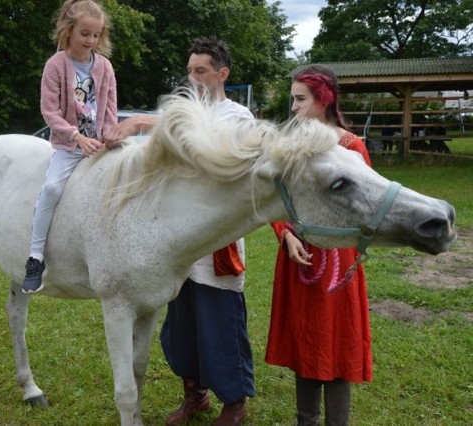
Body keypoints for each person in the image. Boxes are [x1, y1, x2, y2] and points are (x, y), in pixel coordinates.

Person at [107, 37, 256, 426]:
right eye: (189, 71)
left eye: (201, 71)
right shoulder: (181, 113)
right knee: (182, 325)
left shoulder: (238, 116)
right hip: (175, 240)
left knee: (220, 322)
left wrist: (143, 121)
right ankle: (195, 396)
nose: (192, 78)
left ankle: (234, 404)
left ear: (222, 74)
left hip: (214, 239)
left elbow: (207, 147)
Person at [265, 64, 373, 426]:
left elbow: (366, 205)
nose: (293, 107)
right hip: (301, 258)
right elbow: (276, 197)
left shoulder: (351, 146)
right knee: (306, 342)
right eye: (292, 99)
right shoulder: (291, 146)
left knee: (338, 342)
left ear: (323, 100)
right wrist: (286, 234)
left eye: (300, 99)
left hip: (339, 259)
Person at [22, 0, 117, 294]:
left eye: (96, 35)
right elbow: (49, 112)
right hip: (68, 146)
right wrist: (76, 137)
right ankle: (35, 257)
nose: (91, 41)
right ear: (68, 31)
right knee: (51, 189)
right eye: (84, 34)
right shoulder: (56, 65)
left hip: (99, 146)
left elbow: (110, 109)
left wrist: (111, 136)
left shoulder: (104, 67)